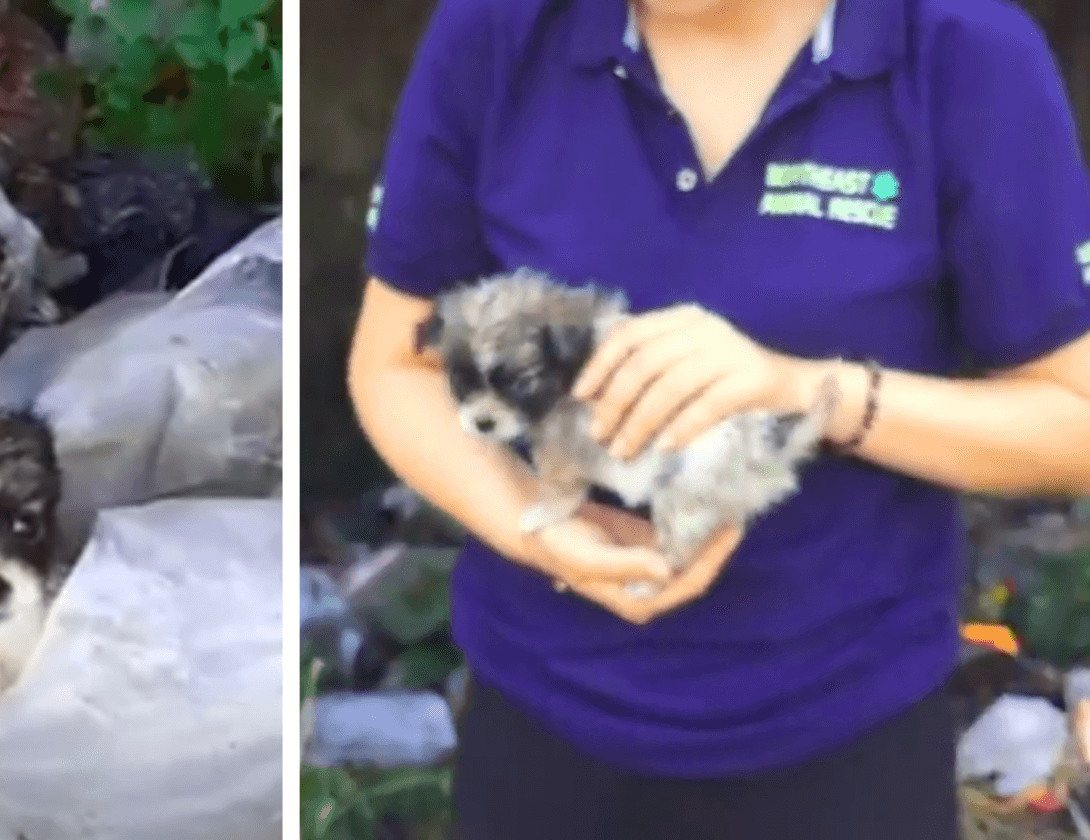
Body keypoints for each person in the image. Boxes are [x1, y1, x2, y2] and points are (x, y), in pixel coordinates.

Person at [345, 0, 1090, 836]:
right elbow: (394, 363)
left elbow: (1074, 418)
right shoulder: (500, 29)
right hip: (543, 727)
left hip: (842, 738)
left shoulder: (961, 52)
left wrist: (807, 391)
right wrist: (533, 524)